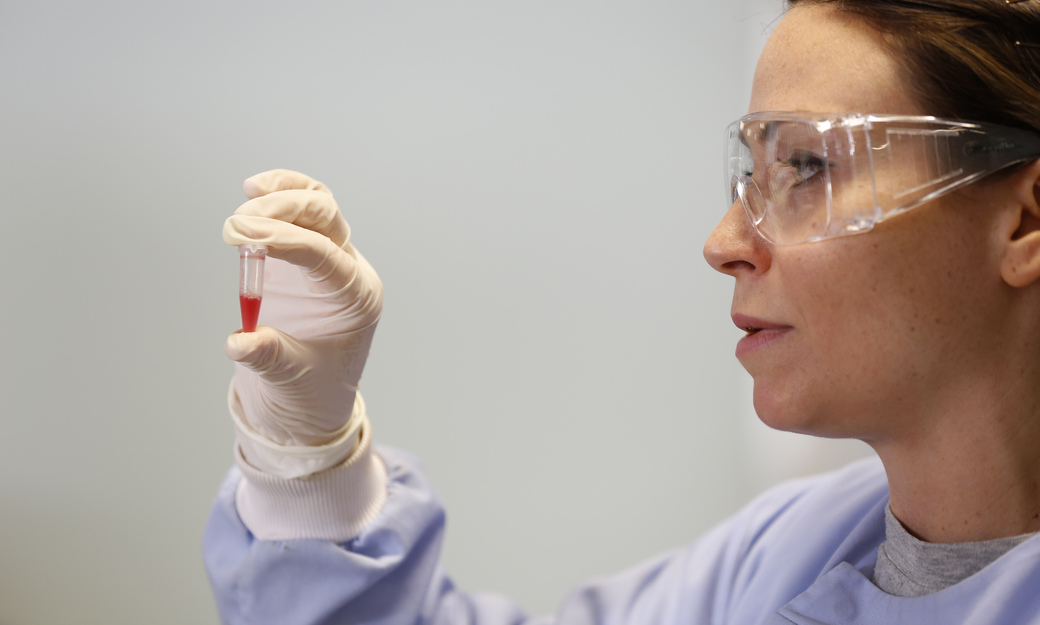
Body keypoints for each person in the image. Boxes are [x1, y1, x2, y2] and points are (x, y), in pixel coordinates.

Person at [205, 0, 1040, 623]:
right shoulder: (786, 552)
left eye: (810, 166)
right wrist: (307, 460)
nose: (724, 242)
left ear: (1025, 220)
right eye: (750, 174)